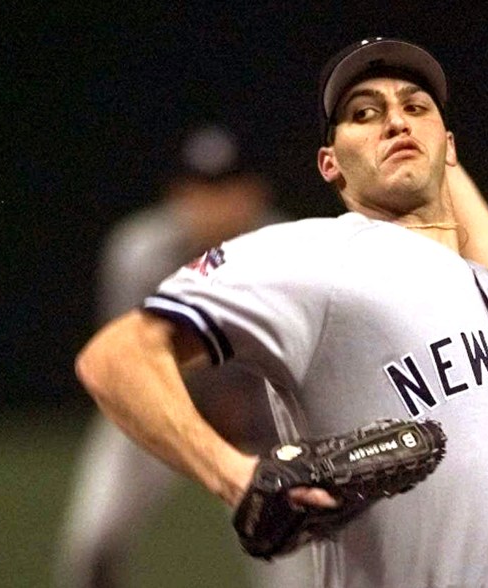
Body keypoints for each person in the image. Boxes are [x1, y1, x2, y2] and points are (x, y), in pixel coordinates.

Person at [74, 37, 488, 588]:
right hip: (236, 428)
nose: (395, 122)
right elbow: (115, 357)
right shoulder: (313, 258)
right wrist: (236, 477)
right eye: (365, 114)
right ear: (330, 165)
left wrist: (435, 158)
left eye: (416, 108)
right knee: (95, 536)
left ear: (451, 146)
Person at [55, 124, 314, 587]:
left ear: (256, 192)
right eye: (200, 189)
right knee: (93, 542)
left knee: (299, 565)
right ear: (177, 194)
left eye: (228, 187)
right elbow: (126, 365)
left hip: (261, 424)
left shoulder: (291, 249)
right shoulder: (138, 252)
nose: (213, 203)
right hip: (161, 410)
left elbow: (297, 362)